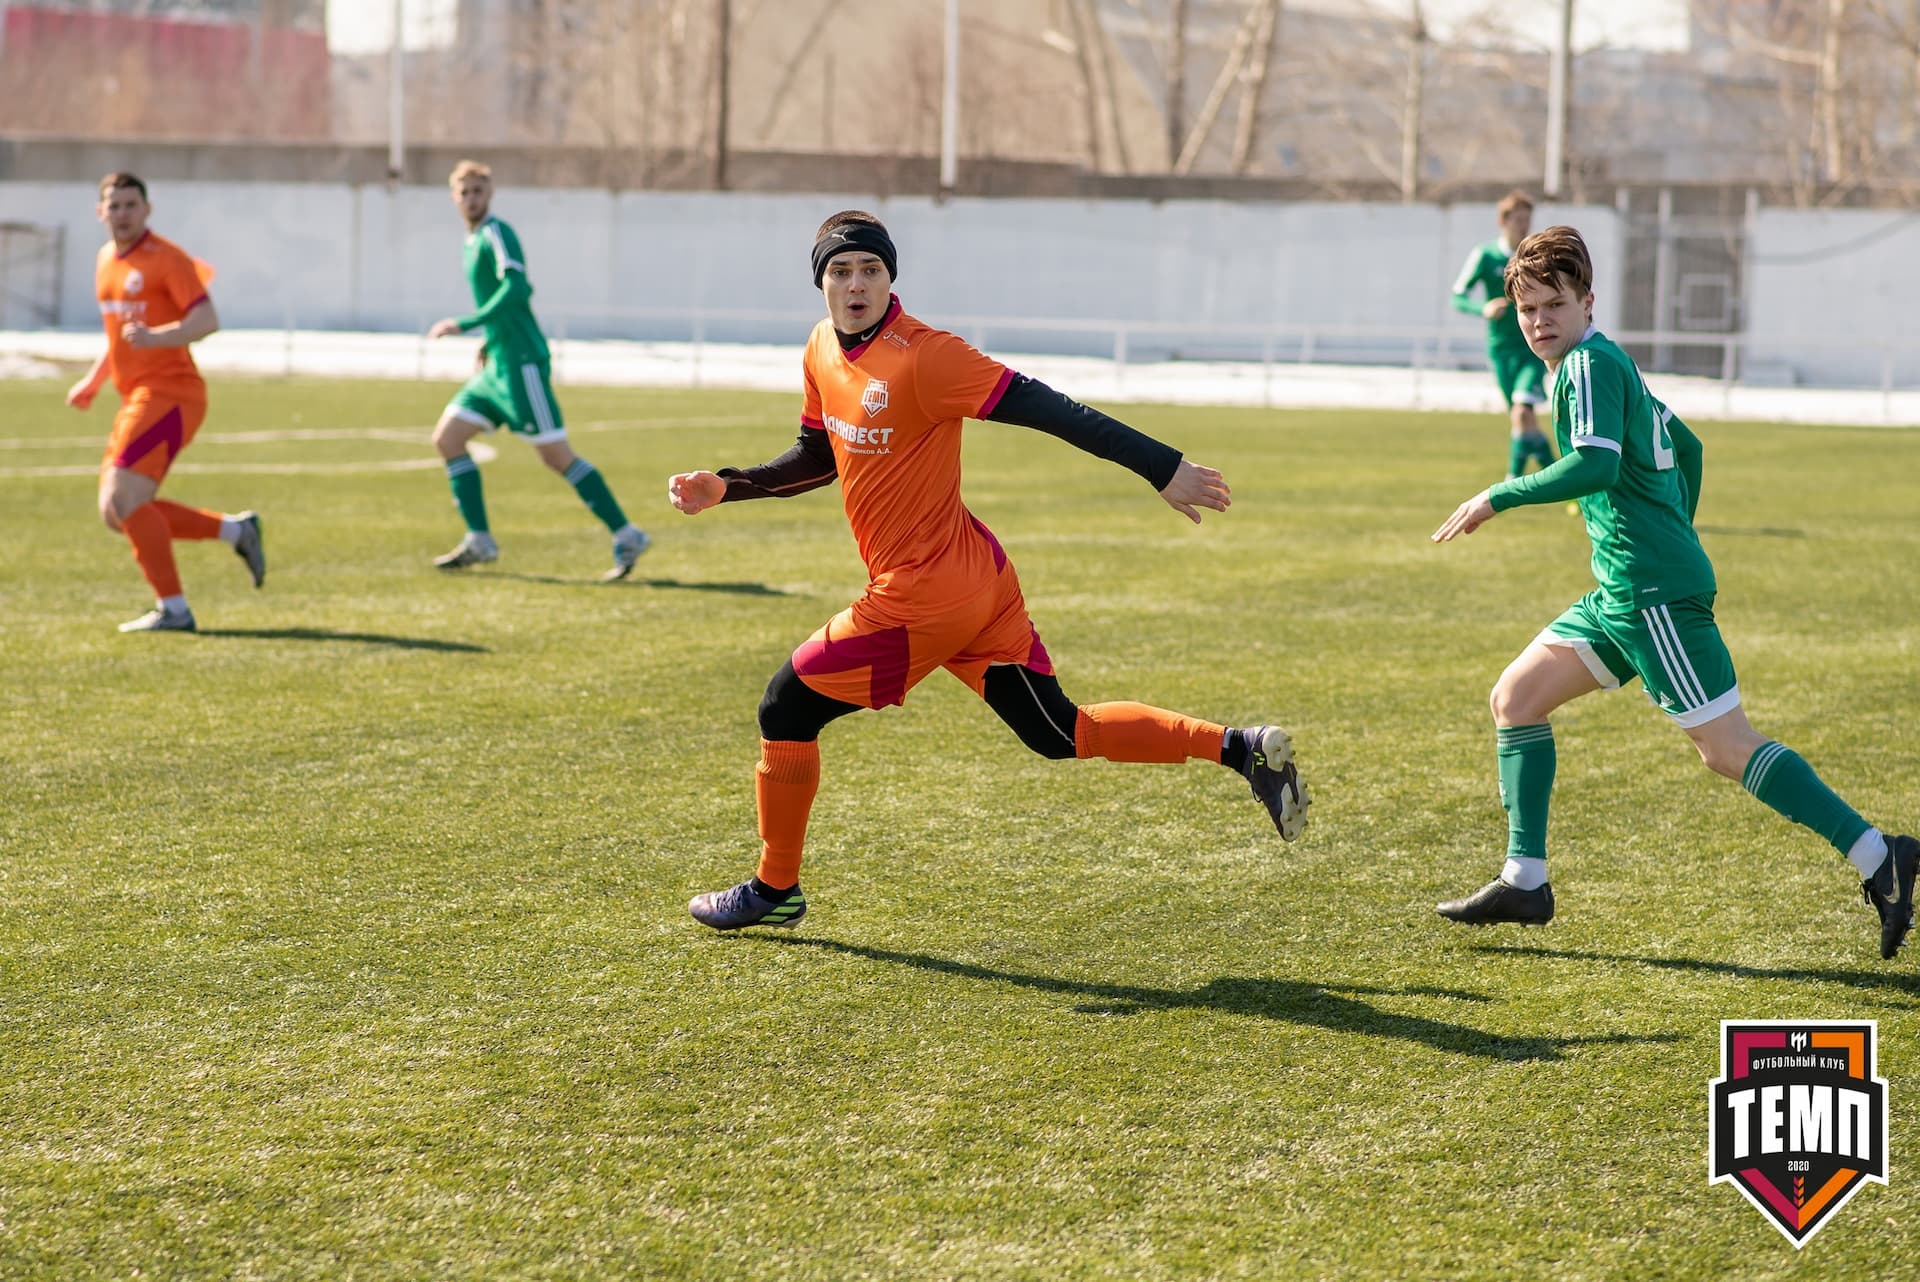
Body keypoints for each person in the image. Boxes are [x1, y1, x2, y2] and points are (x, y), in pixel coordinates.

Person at [669, 210, 1309, 930]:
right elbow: (818, 454)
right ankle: (1240, 749)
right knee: (1056, 731)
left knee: (785, 707)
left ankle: (774, 888)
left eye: (871, 270)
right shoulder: (822, 350)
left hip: (923, 596)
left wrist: (1161, 467)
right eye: (840, 271)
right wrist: (732, 485)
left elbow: (1048, 407)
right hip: (977, 576)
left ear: (891, 278)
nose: (856, 285)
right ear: (819, 282)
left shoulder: (927, 357)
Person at [1430, 225, 1915, 959]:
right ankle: (1525, 879)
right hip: (1624, 590)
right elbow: (1687, 446)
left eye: (1553, 304)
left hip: (1649, 593)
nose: (1538, 322)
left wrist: (1502, 494)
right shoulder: (1602, 358)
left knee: (1726, 749)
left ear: (1587, 300)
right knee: (1516, 698)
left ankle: (1881, 858)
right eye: (1528, 309)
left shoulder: (1586, 365)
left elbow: (1593, 465)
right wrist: (1665, 530)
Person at [425, 160, 649, 579]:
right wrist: (487, 342)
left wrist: (466, 323)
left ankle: (627, 533)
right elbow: (502, 300)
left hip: (522, 363)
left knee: (556, 457)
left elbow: (517, 287)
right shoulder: (470, 241)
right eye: (464, 193)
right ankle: (480, 540)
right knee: (448, 439)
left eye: (478, 191)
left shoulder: (497, 232)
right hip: (497, 366)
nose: (472, 199)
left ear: (488, 194)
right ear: (455, 199)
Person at [68, 172, 264, 633]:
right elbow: (119, 335)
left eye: (131, 205)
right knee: (117, 513)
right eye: (113, 206)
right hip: (136, 394)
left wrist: (159, 338)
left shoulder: (166, 258)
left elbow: (207, 318)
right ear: (100, 212)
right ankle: (237, 532)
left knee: (125, 498)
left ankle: (174, 610)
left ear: (147, 210)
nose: (122, 214)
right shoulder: (104, 260)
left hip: (172, 393)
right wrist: (94, 381)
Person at [1451, 191, 1555, 480]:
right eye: (1518, 219)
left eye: (1527, 219)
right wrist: (1482, 308)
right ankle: (1557, 477)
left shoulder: (1533, 257)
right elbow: (1457, 296)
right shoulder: (1485, 256)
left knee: (1522, 411)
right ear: (1503, 221)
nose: (1524, 225)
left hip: (1533, 347)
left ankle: (1514, 479)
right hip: (1500, 349)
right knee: (1524, 420)